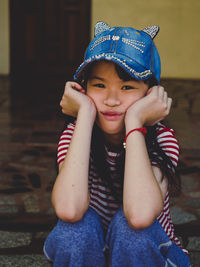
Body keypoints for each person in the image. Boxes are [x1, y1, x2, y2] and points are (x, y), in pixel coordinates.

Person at [43, 22, 191, 266]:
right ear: (83, 89)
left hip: (149, 255)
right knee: (74, 230)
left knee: (131, 231)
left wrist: (134, 122)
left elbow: (140, 216)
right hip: (94, 255)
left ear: (150, 94)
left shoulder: (163, 139)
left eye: (127, 87)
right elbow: (69, 209)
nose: (111, 99)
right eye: (99, 85)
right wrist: (84, 116)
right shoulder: (75, 134)